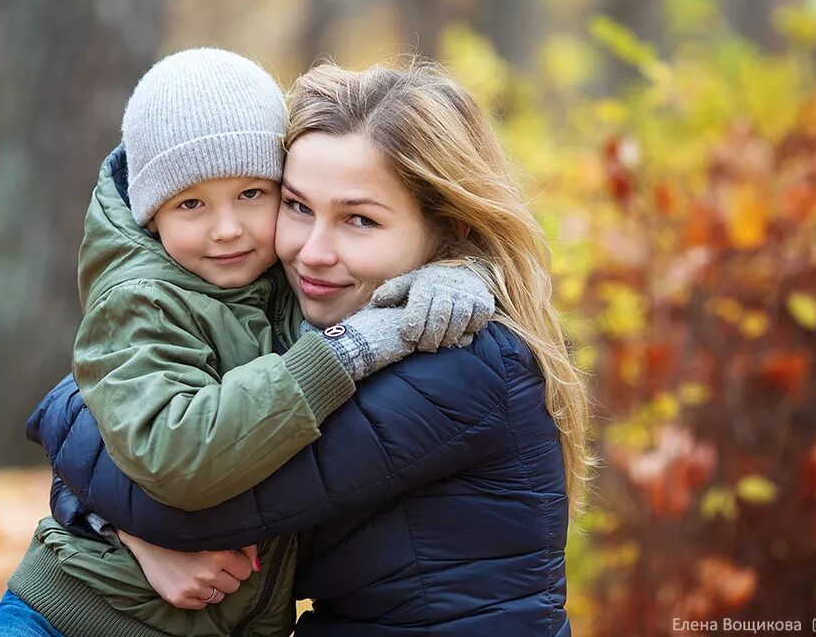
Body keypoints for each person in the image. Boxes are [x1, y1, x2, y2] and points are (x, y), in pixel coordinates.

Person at [34, 60, 593, 636]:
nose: (312, 252)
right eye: (298, 207)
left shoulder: (451, 356)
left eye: (360, 220)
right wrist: (119, 522)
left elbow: (185, 499)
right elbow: (137, 417)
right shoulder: (320, 320)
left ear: (448, 227)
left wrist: (121, 508)